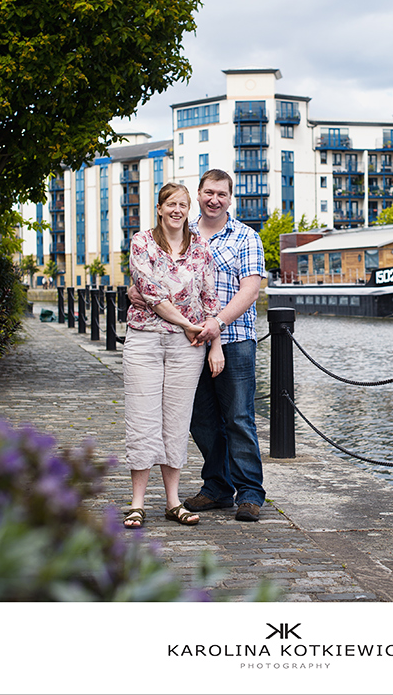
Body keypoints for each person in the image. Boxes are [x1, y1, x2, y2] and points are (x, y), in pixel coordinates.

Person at [129, 169, 267, 522]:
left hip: (231, 339)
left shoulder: (245, 237)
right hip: (189, 341)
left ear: (230, 198)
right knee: (201, 421)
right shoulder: (183, 233)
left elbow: (250, 291)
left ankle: (249, 493)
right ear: (199, 196)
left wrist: (216, 327)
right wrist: (137, 294)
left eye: (221, 194)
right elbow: (150, 283)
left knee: (238, 417)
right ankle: (217, 487)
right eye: (208, 193)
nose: (214, 199)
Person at [121, 182, 224, 529]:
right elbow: (150, 291)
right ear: (160, 208)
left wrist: (214, 341)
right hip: (145, 340)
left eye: (183, 204)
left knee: (177, 421)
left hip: (188, 347)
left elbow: (210, 300)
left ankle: (173, 501)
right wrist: (186, 323)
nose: (178, 210)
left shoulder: (201, 248)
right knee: (142, 418)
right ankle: (136, 503)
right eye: (171, 204)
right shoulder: (141, 242)